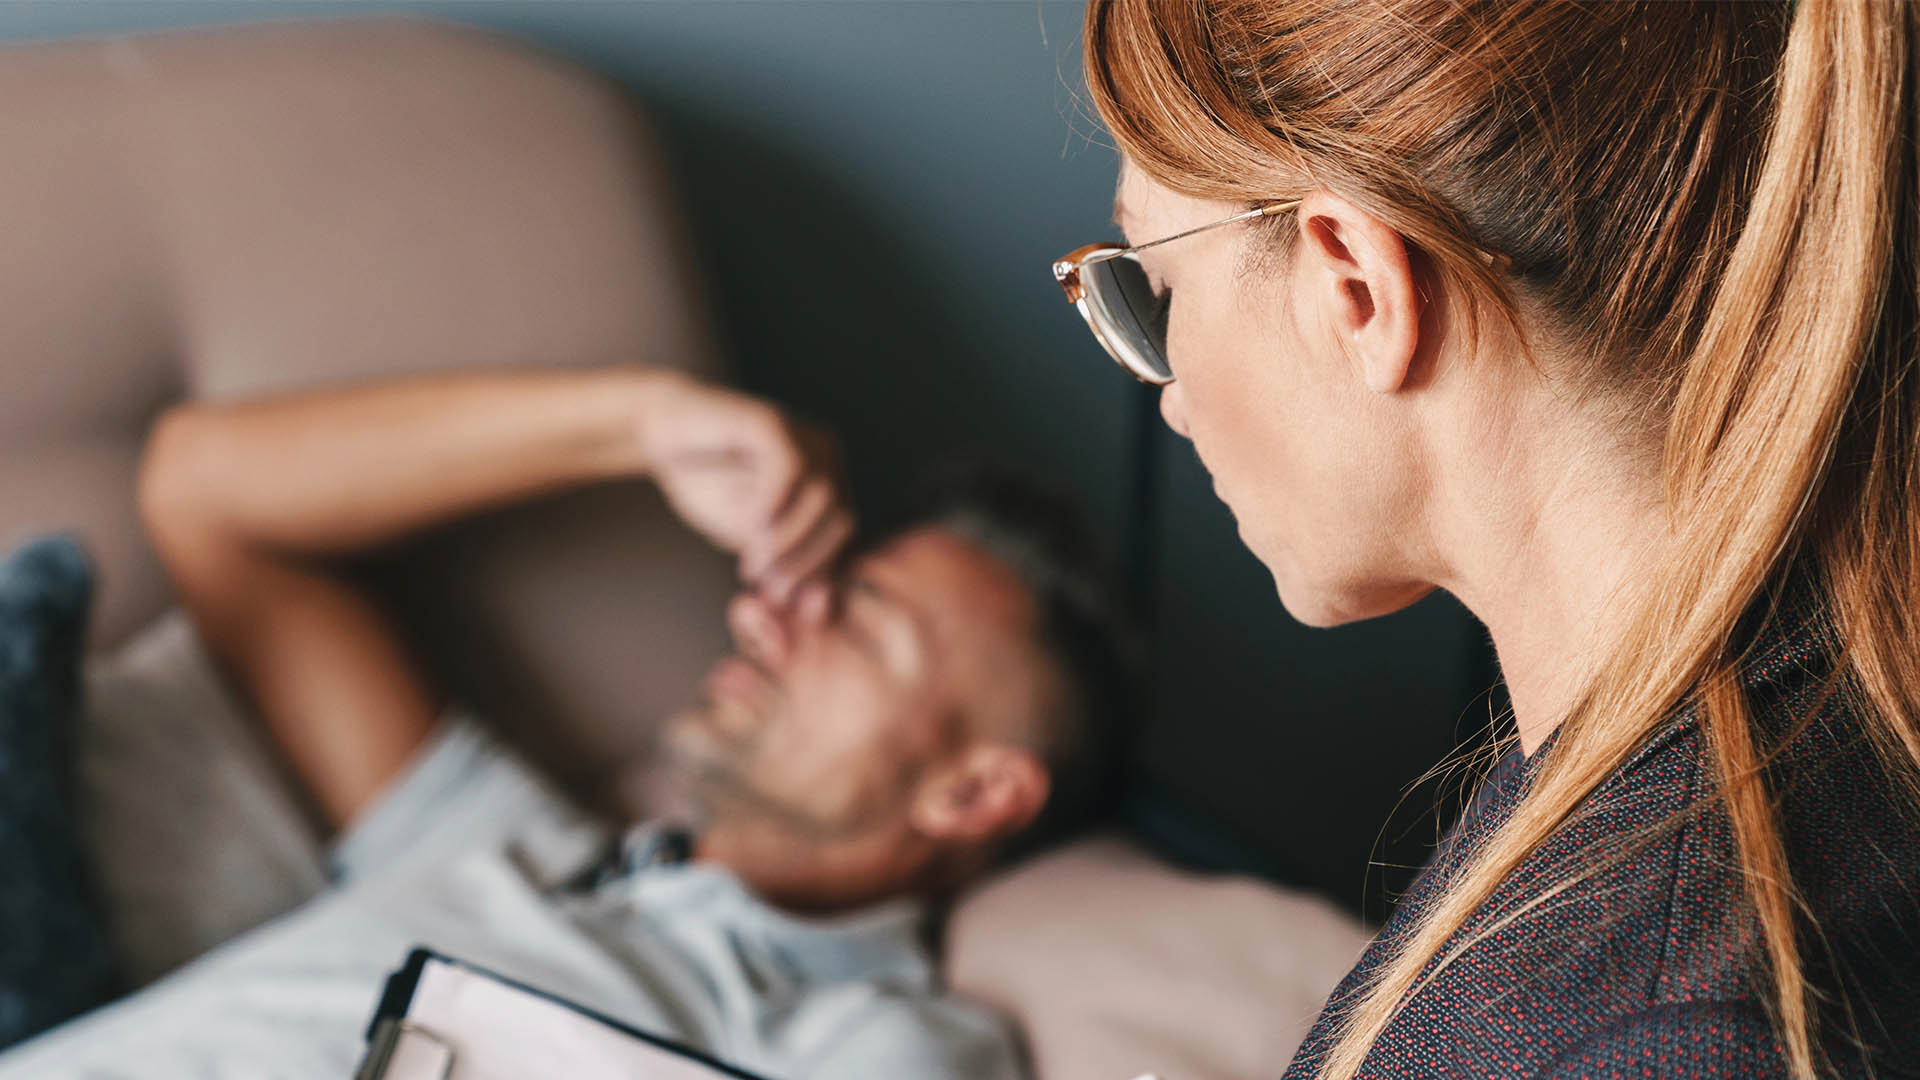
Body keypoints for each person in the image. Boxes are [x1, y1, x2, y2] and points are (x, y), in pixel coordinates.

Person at [1055, 1, 1920, 1077]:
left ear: (1357, 287)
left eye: (1156, 284)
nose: (1172, 404)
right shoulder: (1794, 722)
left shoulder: (1670, 1029)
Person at [0, 366, 1123, 1079]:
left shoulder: (868, 1039)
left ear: (973, 793)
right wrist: (646, 424)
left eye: (858, 623)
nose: (771, 611)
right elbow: (204, 492)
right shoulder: (491, 843)